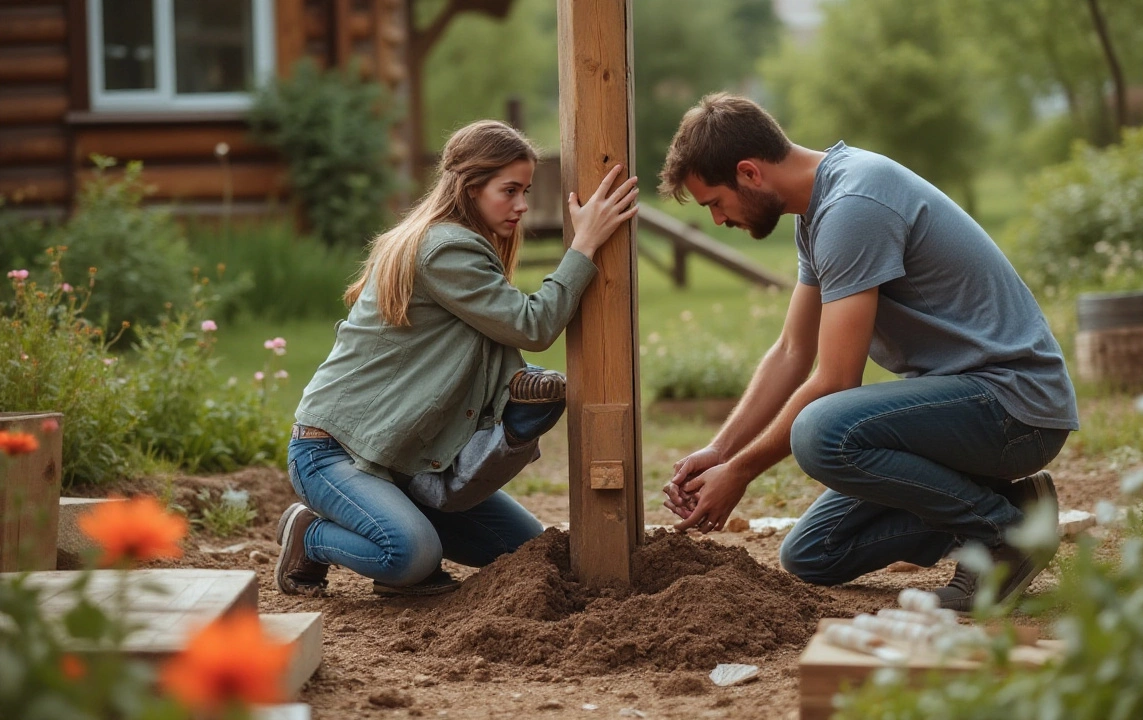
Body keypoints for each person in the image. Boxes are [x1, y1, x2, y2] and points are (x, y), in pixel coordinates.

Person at [657, 94, 1078, 611]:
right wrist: (720, 453)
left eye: (715, 203)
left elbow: (835, 380)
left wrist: (741, 473)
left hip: (1014, 407)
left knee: (822, 430)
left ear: (749, 173)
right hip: (971, 409)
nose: (718, 220)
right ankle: (1017, 505)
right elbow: (792, 350)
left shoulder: (853, 206)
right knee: (814, 554)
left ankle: (1004, 535)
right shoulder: (816, 213)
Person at [275, 120, 639, 597]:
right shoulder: (446, 249)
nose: (522, 205)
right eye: (509, 190)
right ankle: (310, 534)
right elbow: (532, 326)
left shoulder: (453, 242)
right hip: (333, 453)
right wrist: (584, 244)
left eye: (525, 190)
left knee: (526, 551)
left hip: (400, 462)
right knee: (409, 555)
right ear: (469, 189)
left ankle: (399, 523)